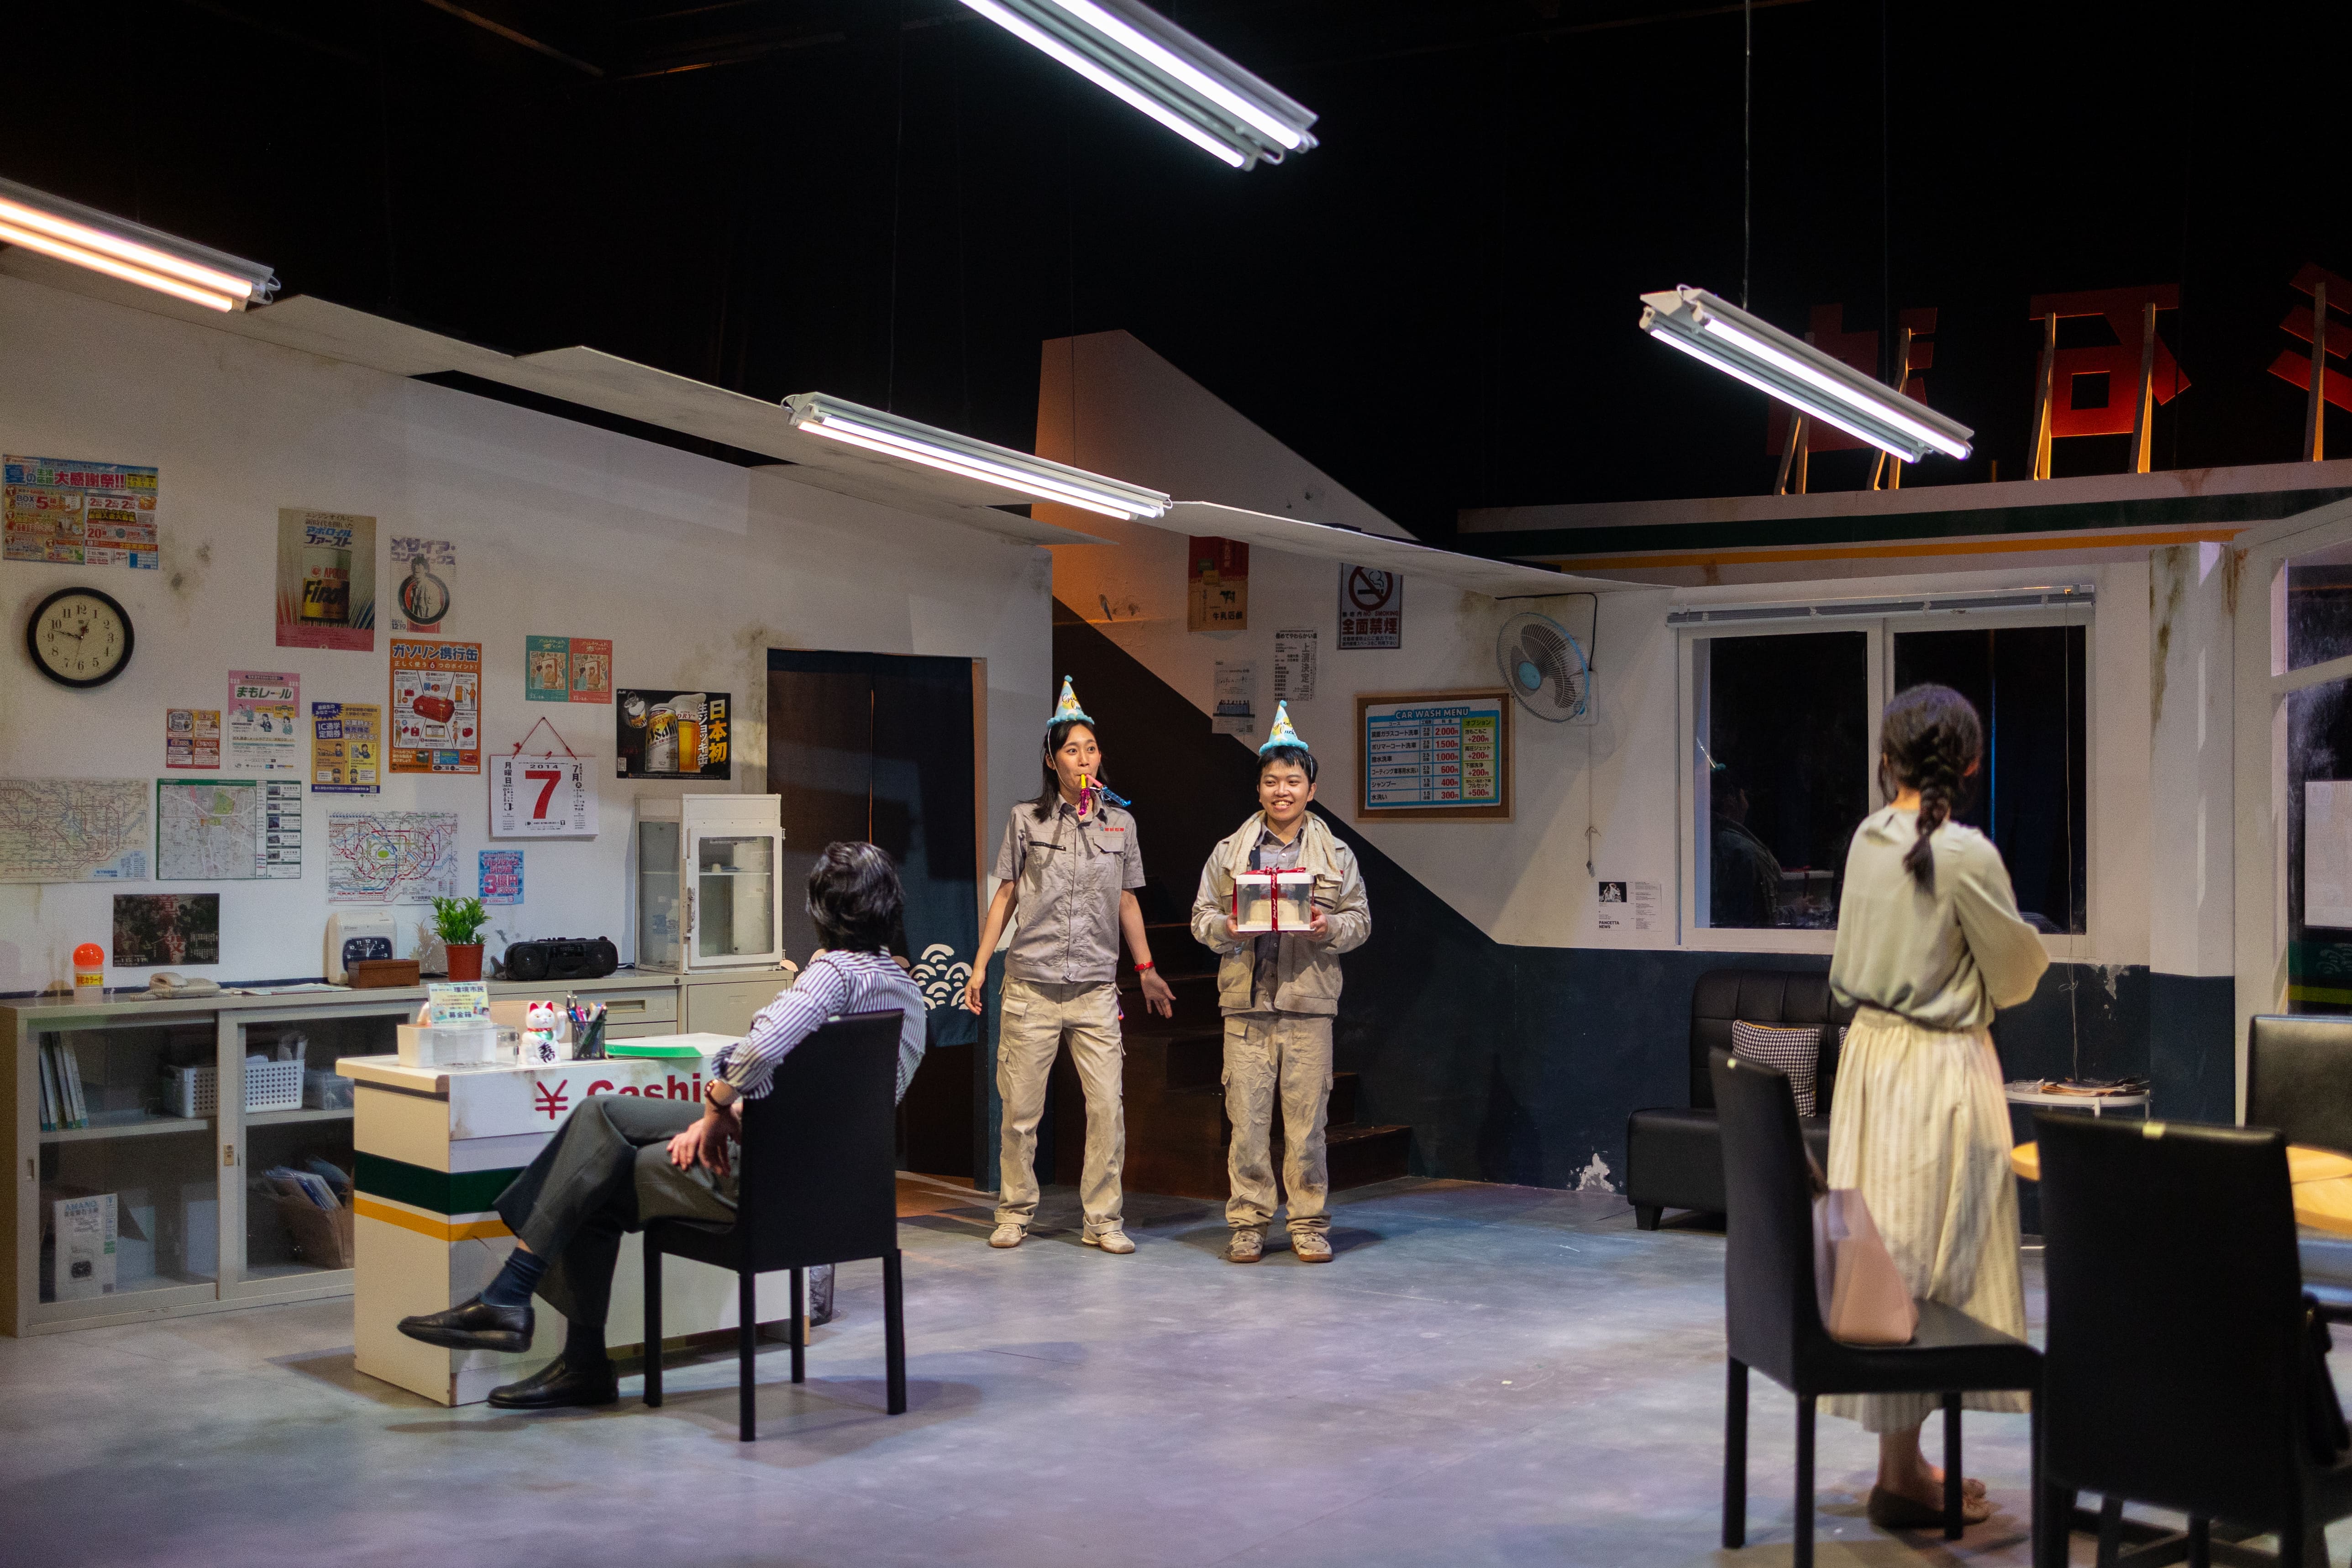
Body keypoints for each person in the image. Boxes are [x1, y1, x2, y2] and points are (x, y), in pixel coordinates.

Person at [393, 841, 927, 1411]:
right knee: (601, 1115)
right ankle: (519, 1306)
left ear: (819, 911)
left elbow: (759, 1047)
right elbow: (836, 1104)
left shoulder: (831, 974)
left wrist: (717, 1108)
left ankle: (538, 1320)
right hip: (834, 1184)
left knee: (599, 1171)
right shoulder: (908, 995)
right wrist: (740, 1113)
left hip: (768, 1180)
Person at [1824, 684, 2048, 1526]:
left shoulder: (1864, 840)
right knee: (1931, 1262)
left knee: (1887, 1258)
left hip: (1868, 1063)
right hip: (1937, 1070)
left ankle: (1902, 1463)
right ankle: (1902, 1476)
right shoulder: (1964, 854)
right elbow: (2017, 974)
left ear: (1886, 762)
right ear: (1971, 764)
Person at [962, 678, 1175, 1253]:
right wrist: (980, 967)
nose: (1083, 759)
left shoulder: (1120, 824)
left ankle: (1102, 1219)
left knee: (1106, 1108)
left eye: (1091, 749)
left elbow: (1126, 900)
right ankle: (1014, 1211)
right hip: (1030, 985)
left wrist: (1146, 968)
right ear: (1051, 760)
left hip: (1094, 989)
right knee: (1020, 1112)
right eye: (1072, 750)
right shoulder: (1025, 819)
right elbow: (1005, 895)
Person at [1189, 703, 1370, 1264]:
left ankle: (1308, 1223)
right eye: (1271, 781)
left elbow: (1360, 921)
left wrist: (1326, 927)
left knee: (1307, 1127)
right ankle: (1248, 1223)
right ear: (1259, 788)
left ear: (1311, 790)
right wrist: (1226, 928)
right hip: (1245, 1006)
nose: (1282, 790)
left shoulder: (1336, 855)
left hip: (1308, 1005)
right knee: (1246, 1126)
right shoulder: (1229, 852)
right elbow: (1200, 917)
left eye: (1293, 781)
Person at [1708, 760, 1782, 928]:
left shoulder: (1704, 843)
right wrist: (1795, 910)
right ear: (1731, 801)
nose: (1747, 804)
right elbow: (1764, 919)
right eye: (1744, 796)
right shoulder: (1746, 853)